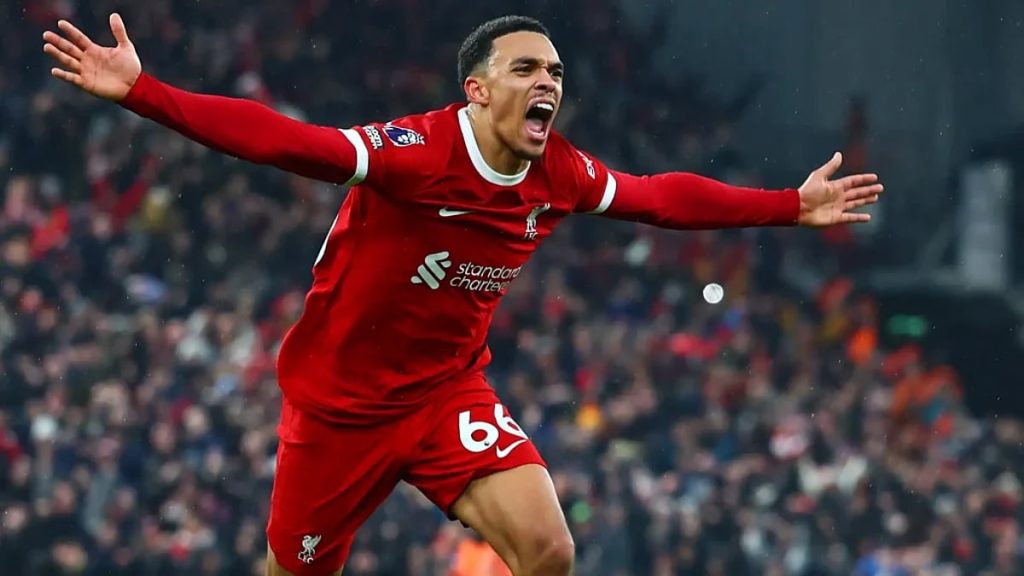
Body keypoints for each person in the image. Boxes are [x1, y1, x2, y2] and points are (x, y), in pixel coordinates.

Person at [42, 13, 883, 576]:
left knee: (549, 550)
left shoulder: (558, 173)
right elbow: (290, 143)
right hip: (339, 407)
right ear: (477, 90)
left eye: (555, 71)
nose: (548, 82)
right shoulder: (417, 153)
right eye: (526, 68)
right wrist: (145, 93)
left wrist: (790, 205)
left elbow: (659, 197)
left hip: (446, 393)